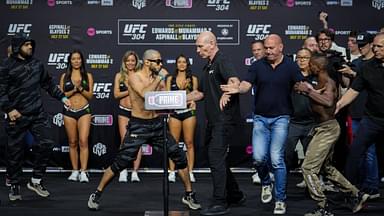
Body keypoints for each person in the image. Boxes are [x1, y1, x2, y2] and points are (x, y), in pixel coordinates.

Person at [87, 49, 201, 211]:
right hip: (138, 125)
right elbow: (145, 94)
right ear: (147, 62)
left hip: (156, 124)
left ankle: (189, 194)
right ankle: (97, 193)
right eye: (158, 61)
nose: (161, 65)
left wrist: (189, 97)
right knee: (120, 162)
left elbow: (165, 98)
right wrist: (159, 78)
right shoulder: (134, 77)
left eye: (161, 61)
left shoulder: (160, 76)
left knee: (179, 156)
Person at [221, 34, 304, 215]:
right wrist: (237, 89)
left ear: (281, 47)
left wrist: (310, 90)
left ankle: (280, 199)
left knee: (276, 159)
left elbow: (301, 83)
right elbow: (246, 85)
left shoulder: (290, 65)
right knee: (258, 158)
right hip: (260, 118)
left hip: (281, 118)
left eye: (271, 48)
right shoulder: (258, 65)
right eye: (266, 47)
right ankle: (266, 183)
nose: (268, 51)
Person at [294, 54, 369, 216]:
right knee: (326, 168)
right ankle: (357, 194)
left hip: (328, 130)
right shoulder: (321, 81)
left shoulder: (328, 81)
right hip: (323, 128)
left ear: (318, 66)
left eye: (312, 64)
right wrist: (307, 91)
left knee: (308, 168)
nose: (309, 66)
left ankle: (322, 207)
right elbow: (319, 96)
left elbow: (328, 102)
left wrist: (308, 91)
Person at [0, 33, 71, 201]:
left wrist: (62, 97)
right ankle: (15, 185)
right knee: (15, 153)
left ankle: (36, 180)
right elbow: (1, 91)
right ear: (18, 47)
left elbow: (48, 83)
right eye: (26, 45)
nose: (30, 47)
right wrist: (9, 109)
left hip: (37, 113)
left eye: (31, 44)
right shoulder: (6, 66)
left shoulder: (37, 64)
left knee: (47, 143)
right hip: (16, 116)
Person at [195, 31, 245, 216]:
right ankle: (235, 194)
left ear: (212, 44)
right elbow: (199, 93)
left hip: (224, 121)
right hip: (214, 122)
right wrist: (176, 99)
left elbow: (234, 81)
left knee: (216, 158)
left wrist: (229, 90)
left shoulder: (222, 61)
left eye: (200, 46)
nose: (197, 50)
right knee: (216, 159)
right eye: (197, 46)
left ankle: (220, 202)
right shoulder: (207, 66)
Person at [336, 32, 384, 194]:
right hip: (372, 119)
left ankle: (372, 186)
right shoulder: (367, 67)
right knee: (355, 151)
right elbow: (354, 90)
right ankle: (352, 192)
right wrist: (340, 104)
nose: (375, 49)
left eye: (380, 46)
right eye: (375, 46)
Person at [166, 54, 202, 183]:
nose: (181, 64)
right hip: (175, 113)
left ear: (187, 64)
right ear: (176, 64)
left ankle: (190, 172)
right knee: (173, 144)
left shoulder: (193, 79)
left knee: (189, 143)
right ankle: (172, 171)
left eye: (184, 62)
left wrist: (193, 102)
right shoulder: (170, 79)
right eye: (179, 62)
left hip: (188, 112)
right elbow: (167, 97)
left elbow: (196, 95)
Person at [60, 50, 93, 183]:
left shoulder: (88, 76)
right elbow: (61, 96)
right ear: (70, 61)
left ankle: (84, 171)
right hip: (69, 111)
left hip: (84, 110)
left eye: (78, 58)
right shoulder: (64, 76)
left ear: (82, 60)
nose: (76, 61)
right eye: (73, 59)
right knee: (72, 142)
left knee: (83, 141)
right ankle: (74, 171)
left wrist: (81, 89)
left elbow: (90, 96)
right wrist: (74, 90)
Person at [285, 48, 315, 187]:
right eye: (299, 58)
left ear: (311, 60)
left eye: (305, 58)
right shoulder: (290, 78)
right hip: (293, 122)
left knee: (311, 156)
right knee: (286, 154)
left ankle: (312, 183)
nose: (302, 60)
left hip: (312, 122)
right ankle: (282, 183)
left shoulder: (316, 77)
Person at [113, 50, 142, 183]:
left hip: (137, 111)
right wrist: (129, 89)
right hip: (123, 111)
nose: (130, 63)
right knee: (124, 141)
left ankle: (135, 172)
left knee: (138, 142)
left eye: (133, 60)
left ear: (136, 62)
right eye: (128, 60)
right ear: (124, 62)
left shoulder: (140, 75)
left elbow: (143, 93)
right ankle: (123, 170)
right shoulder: (119, 76)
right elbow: (116, 95)